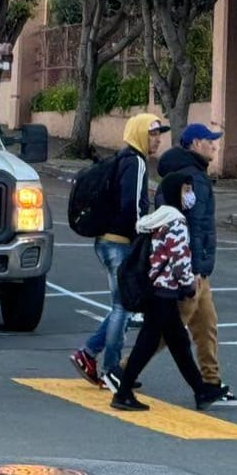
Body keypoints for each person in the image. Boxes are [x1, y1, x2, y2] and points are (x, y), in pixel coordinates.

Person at [70, 112, 169, 389]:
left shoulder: (122, 159)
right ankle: (112, 369)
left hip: (108, 240)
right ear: (138, 133)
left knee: (121, 306)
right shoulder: (135, 163)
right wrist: (147, 230)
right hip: (119, 243)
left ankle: (88, 354)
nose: (157, 139)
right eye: (152, 133)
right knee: (123, 307)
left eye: (159, 134)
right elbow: (133, 207)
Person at [110, 173, 222, 413]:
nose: (190, 196)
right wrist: (189, 284)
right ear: (175, 193)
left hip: (155, 290)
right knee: (148, 344)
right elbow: (179, 259)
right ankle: (123, 391)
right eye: (186, 190)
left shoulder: (157, 219)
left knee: (177, 342)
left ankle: (200, 391)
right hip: (165, 292)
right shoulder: (176, 222)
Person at [157, 123, 237, 408]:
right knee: (167, 332)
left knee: (206, 326)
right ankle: (122, 370)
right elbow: (193, 226)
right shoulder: (191, 178)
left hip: (198, 269)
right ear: (195, 143)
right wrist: (192, 271)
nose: (215, 146)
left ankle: (211, 382)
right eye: (210, 141)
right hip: (191, 270)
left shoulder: (191, 174)